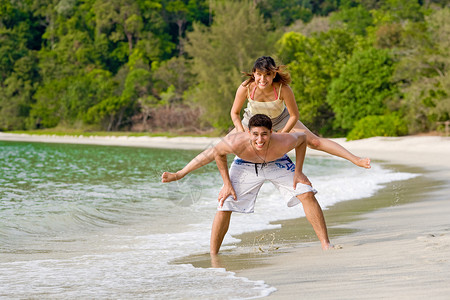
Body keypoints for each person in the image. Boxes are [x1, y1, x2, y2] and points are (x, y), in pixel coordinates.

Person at [162, 114, 333, 254]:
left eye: (264, 134)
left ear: (272, 132)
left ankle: (326, 244)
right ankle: (213, 255)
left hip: (277, 161)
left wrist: (298, 172)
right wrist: (226, 183)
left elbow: (302, 139)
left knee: (306, 192)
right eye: (255, 134)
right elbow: (216, 154)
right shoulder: (236, 142)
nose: (260, 139)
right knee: (225, 203)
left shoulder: (283, 140)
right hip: (245, 165)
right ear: (248, 133)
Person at [230, 56, 371, 169]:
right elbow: (234, 113)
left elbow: (294, 115)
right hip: (252, 120)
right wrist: (241, 130)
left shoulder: (283, 89)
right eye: (259, 74)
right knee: (224, 146)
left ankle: (356, 159)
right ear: (254, 74)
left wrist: (282, 133)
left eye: (267, 74)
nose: (263, 79)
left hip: (281, 119)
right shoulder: (246, 87)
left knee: (314, 142)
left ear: (274, 74)